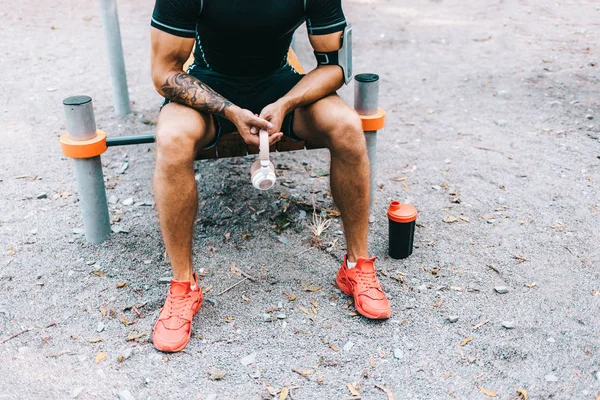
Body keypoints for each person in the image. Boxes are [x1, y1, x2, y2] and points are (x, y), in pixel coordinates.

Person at [150, 0, 390, 353]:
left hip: (278, 84)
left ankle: (357, 264)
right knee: (171, 140)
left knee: (347, 126)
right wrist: (230, 111)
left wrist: (286, 103)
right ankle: (183, 285)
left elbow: (336, 66)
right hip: (209, 88)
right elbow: (163, 72)